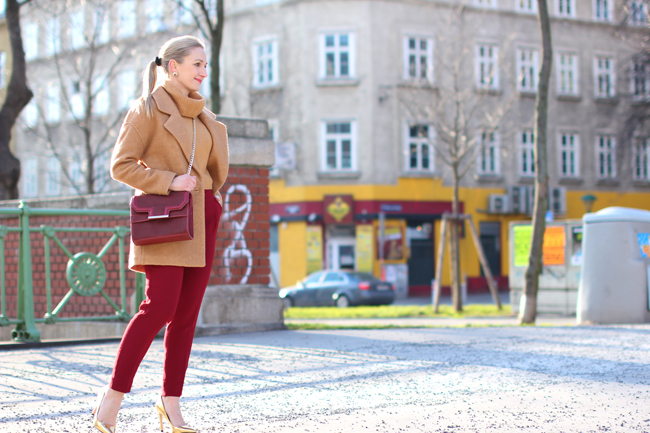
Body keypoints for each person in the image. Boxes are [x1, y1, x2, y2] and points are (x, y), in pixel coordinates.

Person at [92, 35, 229, 433]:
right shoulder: (147, 109)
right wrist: (168, 181)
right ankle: (112, 398)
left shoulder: (205, 117)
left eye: (205, 65)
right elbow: (121, 166)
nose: (203, 71)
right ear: (173, 66)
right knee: (160, 307)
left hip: (203, 218)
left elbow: (213, 170)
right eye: (196, 64)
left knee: (186, 317)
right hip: (167, 218)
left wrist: (213, 198)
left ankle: (171, 404)